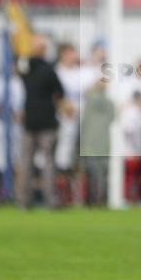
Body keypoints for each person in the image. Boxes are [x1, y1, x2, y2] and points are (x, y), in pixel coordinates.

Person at [18, 35, 66, 209]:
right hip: (47, 121)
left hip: (30, 120)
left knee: (27, 163)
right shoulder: (49, 70)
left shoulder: (25, 68)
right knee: (48, 164)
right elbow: (60, 92)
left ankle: (24, 201)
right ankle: (50, 200)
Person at [54, 43, 84, 205]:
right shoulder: (57, 72)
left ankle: (76, 196)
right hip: (63, 122)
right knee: (61, 159)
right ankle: (61, 196)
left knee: (77, 162)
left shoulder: (79, 72)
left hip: (81, 123)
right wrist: (63, 105)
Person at [80, 78, 115, 206]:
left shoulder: (89, 101)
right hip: (104, 143)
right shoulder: (109, 103)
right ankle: (102, 199)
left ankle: (91, 200)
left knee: (91, 174)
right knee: (103, 174)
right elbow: (113, 118)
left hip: (89, 143)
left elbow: (83, 123)